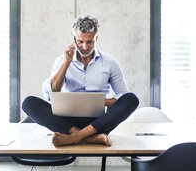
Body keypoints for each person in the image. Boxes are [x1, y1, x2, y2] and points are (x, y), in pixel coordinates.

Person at [22, 14, 139, 147]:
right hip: (65, 122)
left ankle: (76, 137)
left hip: (99, 122)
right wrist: (66, 63)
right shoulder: (62, 61)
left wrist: (101, 102)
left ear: (96, 38)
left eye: (90, 41)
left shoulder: (110, 62)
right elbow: (51, 93)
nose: (85, 47)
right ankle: (89, 137)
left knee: (131, 99)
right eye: (80, 41)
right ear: (74, 39)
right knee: (28, 103)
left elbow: (122, 95)